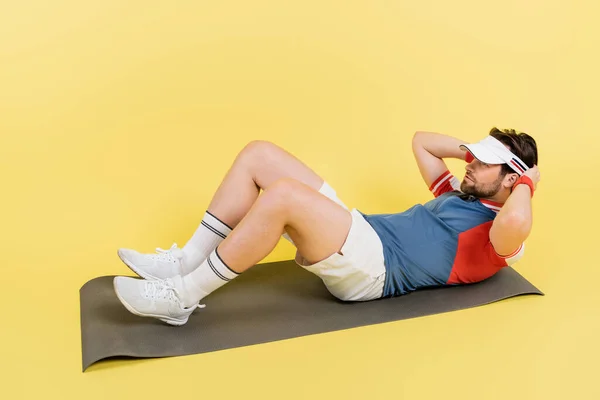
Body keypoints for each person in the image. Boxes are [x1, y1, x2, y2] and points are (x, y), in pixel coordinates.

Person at [113, 127, 540, 326]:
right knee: (260, 153)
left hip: (374, 269)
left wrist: (526, 181)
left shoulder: (500, 232)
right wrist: (480, 153)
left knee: (281, 195)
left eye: (484, 164)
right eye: (473, 158)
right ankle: (187, 261)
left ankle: (181, 298)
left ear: (511, 180)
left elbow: (518, 216)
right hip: (360, 234)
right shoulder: (458, 195)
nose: (470, 165)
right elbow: (421, 140)